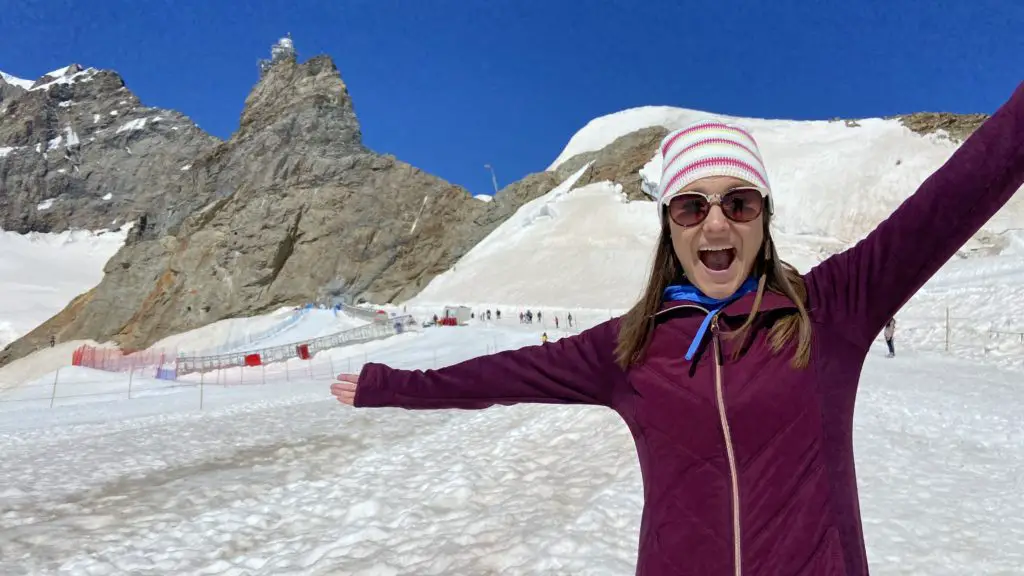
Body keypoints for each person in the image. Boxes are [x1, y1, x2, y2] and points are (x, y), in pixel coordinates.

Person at [331, 83, 1024, 575]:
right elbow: (497, 376)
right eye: (692, 207)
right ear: (669, 224)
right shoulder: (630, 346)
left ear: (764, 217)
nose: (717, 223)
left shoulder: (831, 310)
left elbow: (960, 191)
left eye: (739, 202)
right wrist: (386, 384)